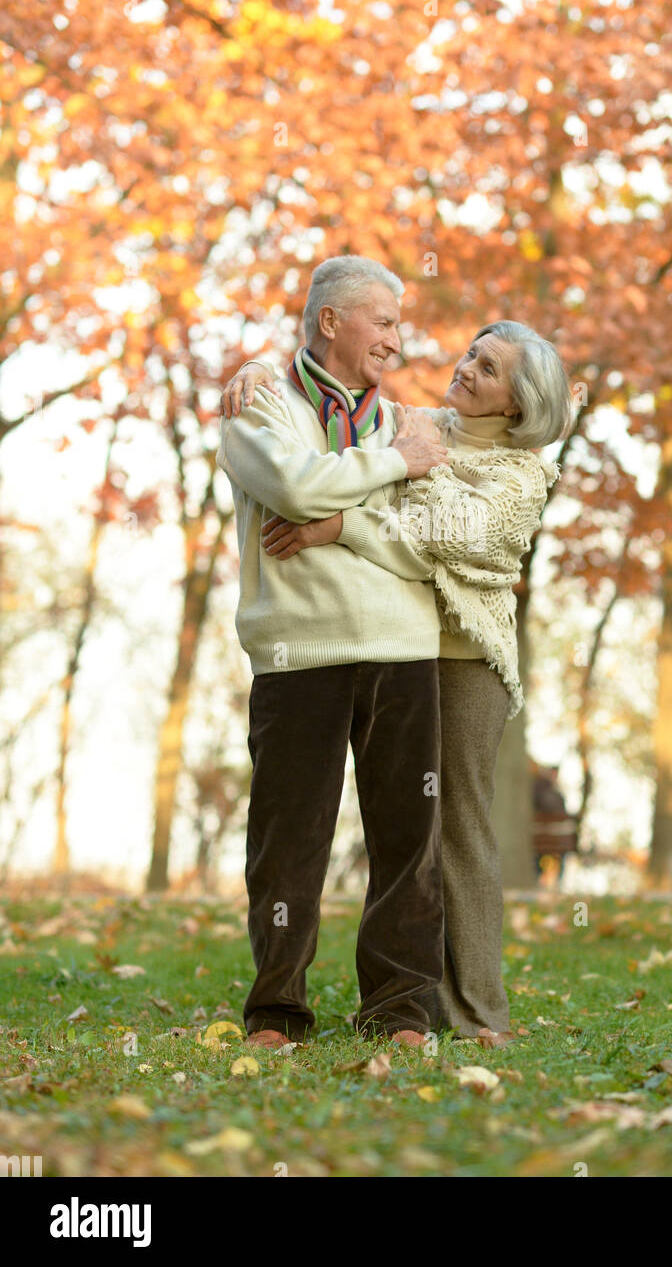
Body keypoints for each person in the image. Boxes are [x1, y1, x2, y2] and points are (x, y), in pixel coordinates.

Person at [222, 318, 573, 1046]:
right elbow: (336, 391)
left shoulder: (522, 474)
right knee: (409, 829)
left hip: (466, 659)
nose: (467, 367)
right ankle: (414, 1000)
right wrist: (258, 368)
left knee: (460, 827)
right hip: (400, 647)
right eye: (472, 353)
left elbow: (448, 540)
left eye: (490, 368)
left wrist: (340, 528)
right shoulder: (415, 425)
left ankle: (478, 1010)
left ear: (516, 404)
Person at [217, 254, 452, 1051]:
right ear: (330, 321)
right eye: (382, 320)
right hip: (298, 652)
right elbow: (291, 487)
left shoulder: (415, 423)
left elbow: (430, 547)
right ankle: (277, 1012)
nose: (396, 337)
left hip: (404, 648)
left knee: (405, 841)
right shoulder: (259, 406)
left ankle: (400, 1011)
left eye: (397, 321)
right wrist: (388, 471)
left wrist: (346, 516)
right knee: (287, 842)